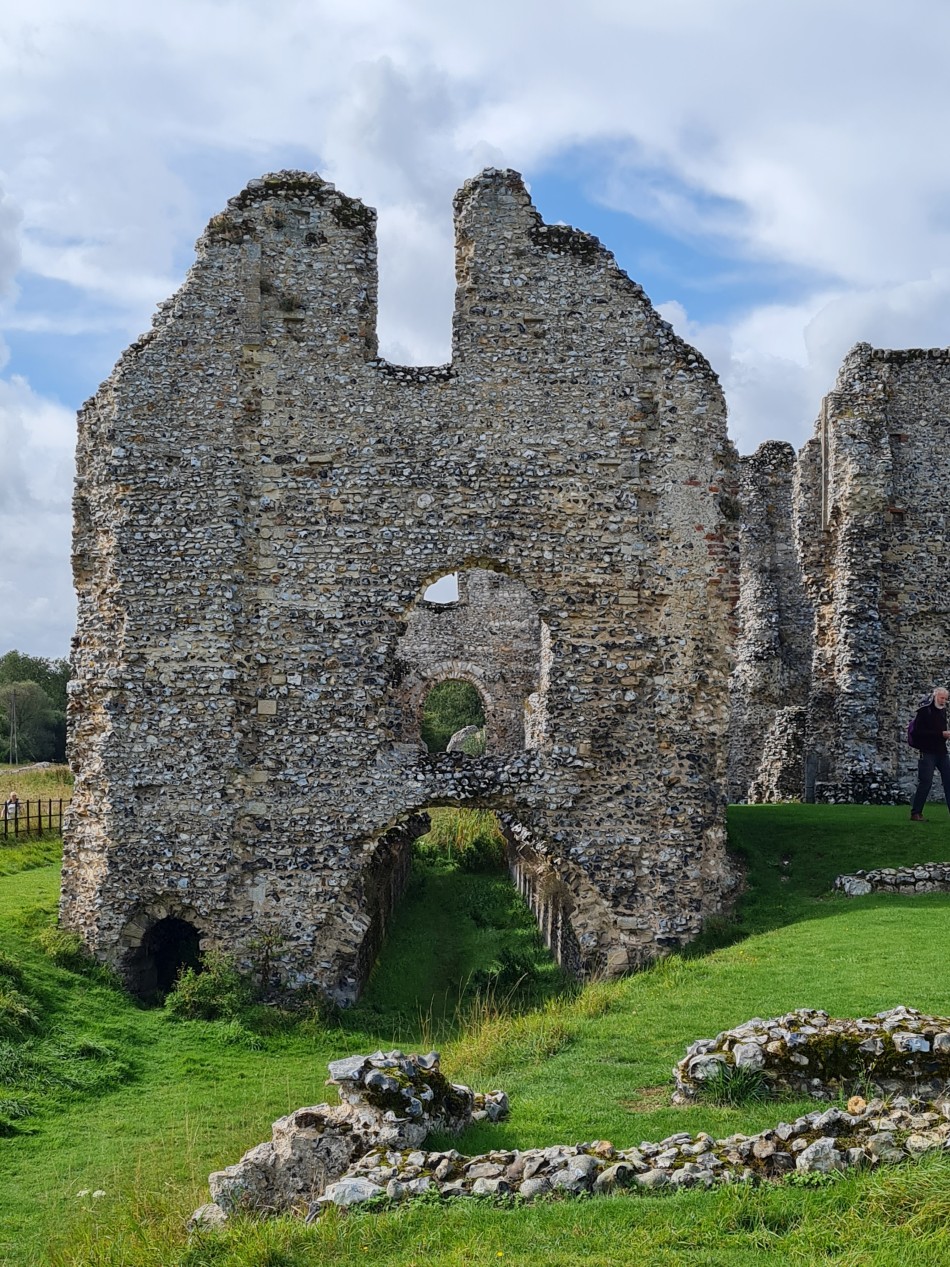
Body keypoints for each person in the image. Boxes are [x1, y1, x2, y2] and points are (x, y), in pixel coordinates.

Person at [910, 687, 950, 820]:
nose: (943, 701)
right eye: (941, 698)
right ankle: (916, 813)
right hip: (927, 752)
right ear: (935, 697)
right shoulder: (924, 711)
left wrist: (944, 735)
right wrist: (940, 734)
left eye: (945, 698)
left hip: (941, 752)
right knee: (926, 782)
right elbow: (918, 733)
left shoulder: (943, 711)